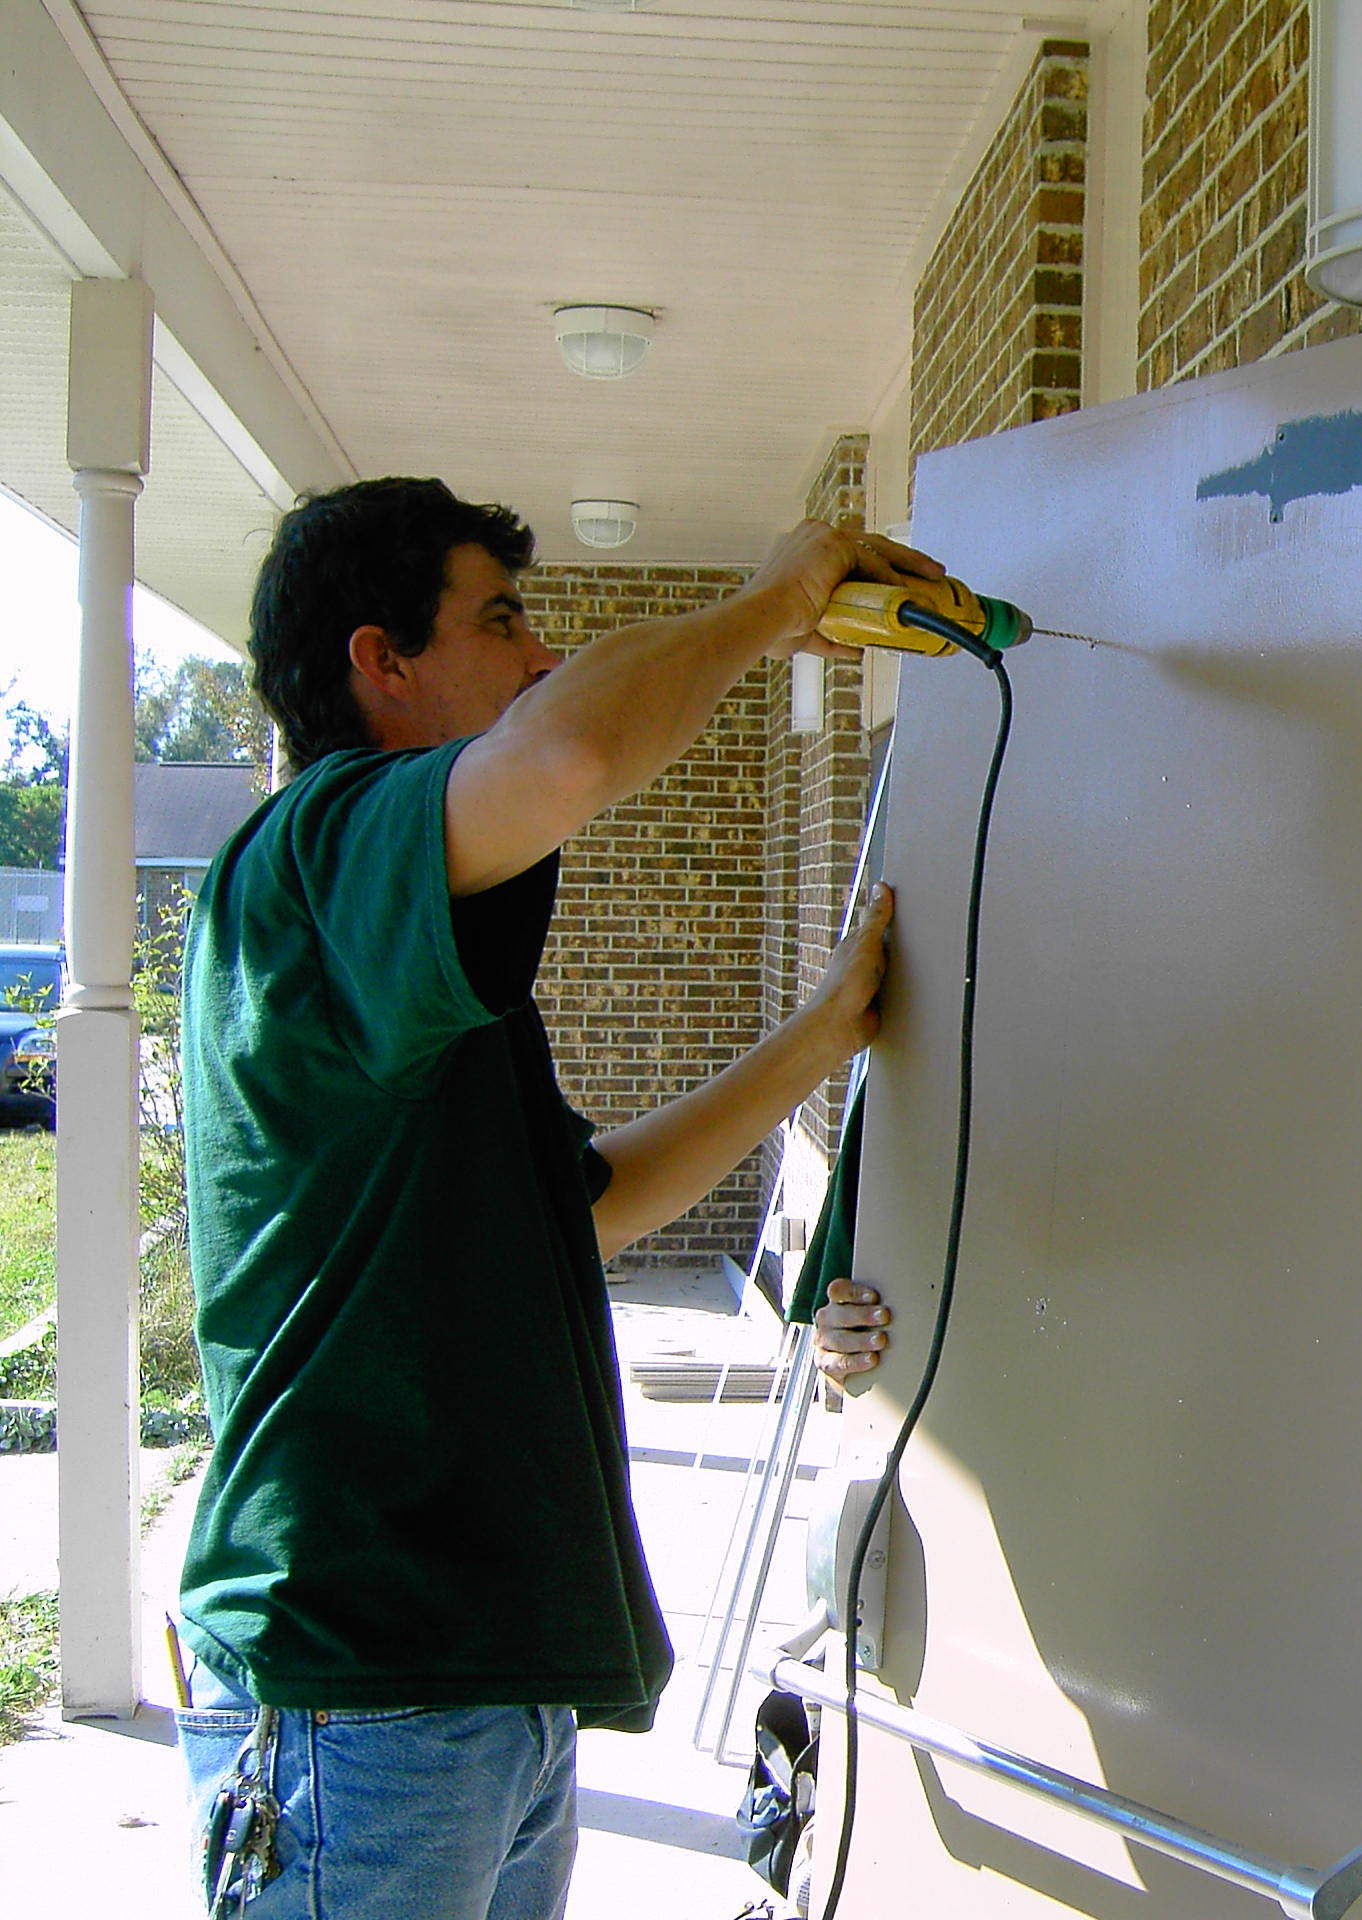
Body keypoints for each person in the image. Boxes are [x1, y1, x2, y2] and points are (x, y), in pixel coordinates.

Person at [172, 476, 923, 1919]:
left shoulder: (403, 960)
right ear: (382, 662)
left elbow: (582, 1211)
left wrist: (822, 1037)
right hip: (357, 1685)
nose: (537, 658)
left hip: (479, 1691)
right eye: (502, 620)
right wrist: (771, 604)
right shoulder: (321, 848)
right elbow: (570, 750)